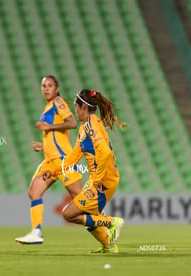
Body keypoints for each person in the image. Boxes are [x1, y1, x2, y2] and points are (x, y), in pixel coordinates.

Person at [15, 75, 83, 244]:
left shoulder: (59, 102)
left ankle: (107, 224)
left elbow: (72, 122)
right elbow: (55, 138)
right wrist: (43, 146)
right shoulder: (48, 107)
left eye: (50, 85)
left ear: (57, 88)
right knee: (34, 192)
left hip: (63, 160)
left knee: (82, 200)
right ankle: (36, 232)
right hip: (50, 161)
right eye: (43, 85)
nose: (46, 88)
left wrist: (48, 126)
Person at [61, 89, 126, 253]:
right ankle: (109, 246)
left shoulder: (91, 127)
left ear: (82, 106)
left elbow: (105, 152)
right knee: (88, 217)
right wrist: (65, 164)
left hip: (103, 181)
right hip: (101, 179)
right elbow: (77, 151)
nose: (74, 110)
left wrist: (96, 180)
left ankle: (112, 222)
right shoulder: (87, 126)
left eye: (75, 106)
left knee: (69, 214)